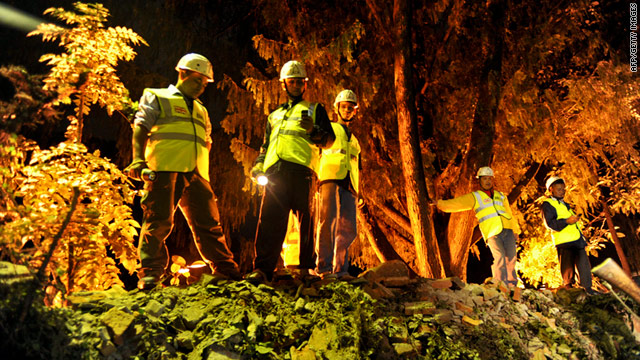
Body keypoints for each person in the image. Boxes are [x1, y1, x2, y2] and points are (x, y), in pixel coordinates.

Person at [126, 53, 241, 290]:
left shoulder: (201, 110)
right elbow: (141, 127)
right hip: (164, 167)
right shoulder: (157, 96)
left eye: (204, 83)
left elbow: (206, 141)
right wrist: (138, 160)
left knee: (209, 223)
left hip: (197, 173)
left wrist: (204, 173)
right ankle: (151, 273)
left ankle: (224, 269)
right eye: (197, 80)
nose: (201, 86)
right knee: (157, 221)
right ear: (183, 73)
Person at [247, 60, 335, 282]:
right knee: (269, 220)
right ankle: (263, 269)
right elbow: (266, 145)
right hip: (275, 172)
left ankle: (305, 269)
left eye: (299, 82)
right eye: (291, 82)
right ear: (284, 85)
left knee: (305, 220)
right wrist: (258, 165)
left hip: (302, 171)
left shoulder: (315, 109)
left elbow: (329, 140)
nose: (295, 85)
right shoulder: (274, 115)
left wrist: (312, 130)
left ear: (305, 85)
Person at [436, 167, 520, 286]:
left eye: (490, 179)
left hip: (508, 230)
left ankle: (512, 286)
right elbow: (457, 203)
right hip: (492, 232)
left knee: (511, 258)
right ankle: (501, 285)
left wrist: (515, 230)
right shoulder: (475, 197)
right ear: (479, 181)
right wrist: (440, 204)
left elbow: (509, 214)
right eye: (484, 179)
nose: (487, 181)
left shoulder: (501, 196)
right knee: (499, 258)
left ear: (493, 180)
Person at [315, 89, 361, 280]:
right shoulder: (330, 129)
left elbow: (357, 166)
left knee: (348, 228)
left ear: (355, 111)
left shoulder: (355, 140)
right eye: (344, 107)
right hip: (330, 179)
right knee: (328, 223)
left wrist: (360, 192)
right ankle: (323, 268)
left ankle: (341, 270)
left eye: (351, 108)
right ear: (337, 108)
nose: (347, 110)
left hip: (349, 185)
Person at [542, 176, 593, 293]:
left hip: (577, 239)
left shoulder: (565, 204)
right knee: (568, 269)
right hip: (564, 241)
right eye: (559, 189)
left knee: (584, 265)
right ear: (551, 190)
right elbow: (550, 223)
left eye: (563, 189)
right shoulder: (547, 204)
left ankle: (588, 289)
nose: (562, 191)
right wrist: (566, 221)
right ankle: (570, 291)